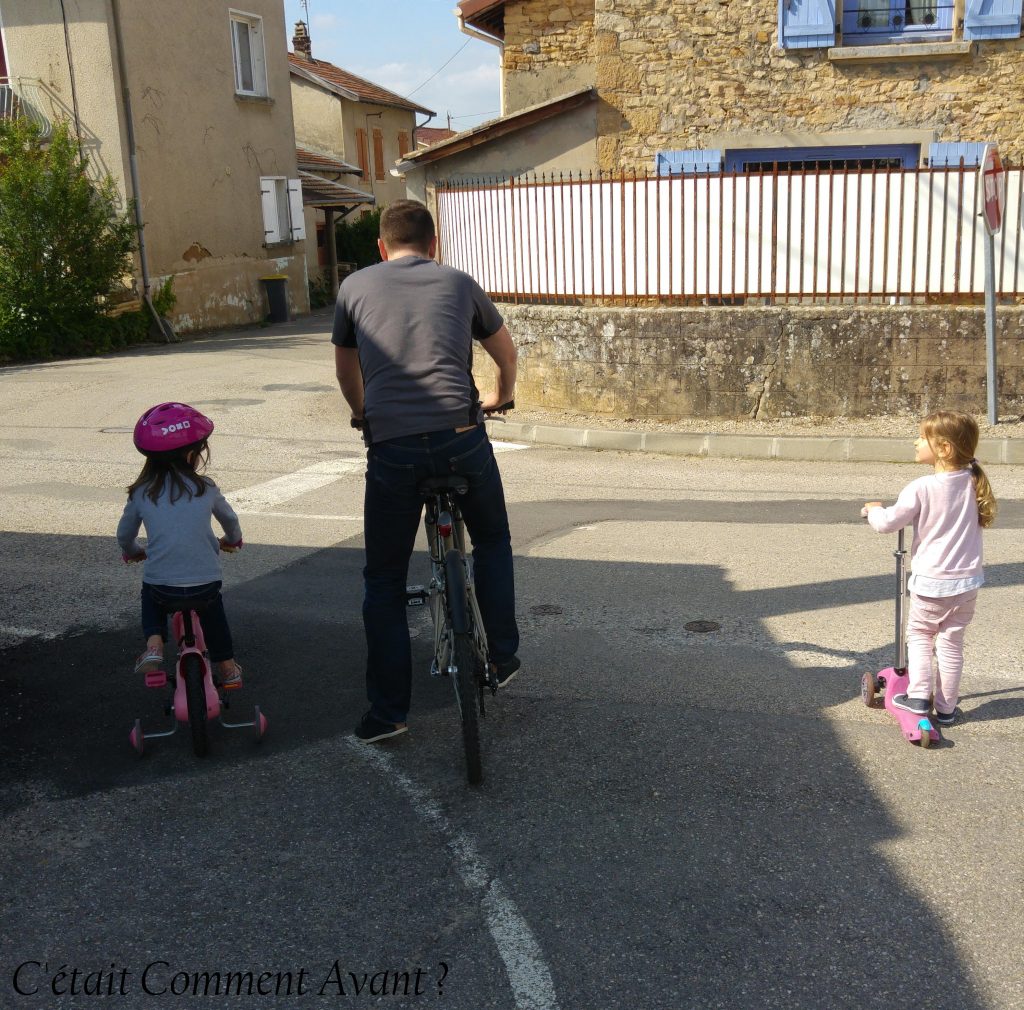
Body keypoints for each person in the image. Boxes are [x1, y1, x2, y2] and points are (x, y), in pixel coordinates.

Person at [333, 198, 521, 743]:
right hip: (461, 439)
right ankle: (502, 657)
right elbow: (506, 354)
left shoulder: (354, 288)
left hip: (392, 449)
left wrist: (363, 412)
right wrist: (499, 397)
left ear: (381, 246)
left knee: (384, 580)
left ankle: (388, 713)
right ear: (434, 245)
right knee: (493, 543)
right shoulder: (460, 283)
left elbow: (346, 368)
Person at [862, 410, 996, 725]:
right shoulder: (973, 482)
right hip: (967, 584)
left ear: (944, 448)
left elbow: (888, 523)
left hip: (933, 583)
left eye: (923, 437)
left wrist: (873, 510)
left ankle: (919, 697)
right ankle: (947, 708)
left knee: (921, 635)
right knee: (951, 643)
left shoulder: (922, 487)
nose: (916, 441)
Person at [118, 402, 245, 688]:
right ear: (191, 454)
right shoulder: (206, 487)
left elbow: (125, 535)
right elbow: (230, 521)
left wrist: (134, 552)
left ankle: (154, 645)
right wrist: (232, 541)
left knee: (150, 597)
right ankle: (227, 667)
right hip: (205, 584)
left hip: (162, 586)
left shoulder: (141, 492)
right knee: (214, 613)